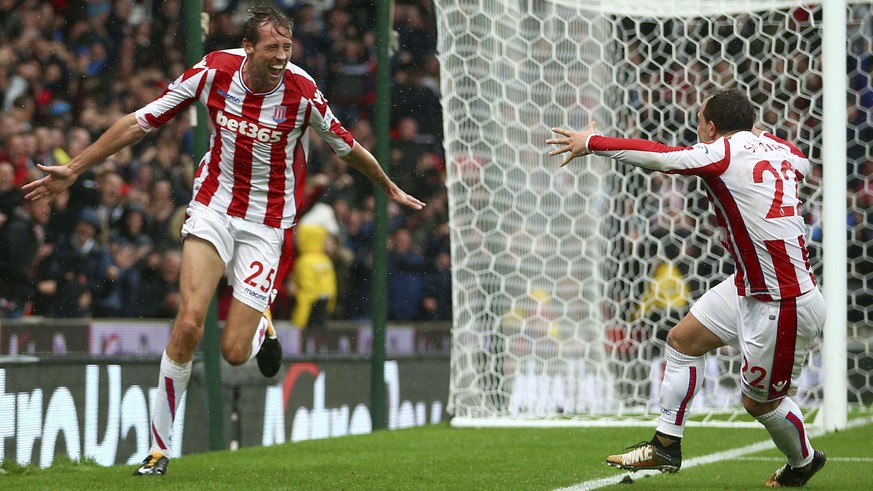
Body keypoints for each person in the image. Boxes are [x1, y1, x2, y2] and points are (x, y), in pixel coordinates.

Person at [23, 5, 424, 477]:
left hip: (266, 224)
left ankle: (261, 325)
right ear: (249, 47)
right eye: (271, 47)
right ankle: (158, 450)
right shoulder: (215, 69)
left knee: (234, 352)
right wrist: (75, 167)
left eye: (287, 47)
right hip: (213, 207)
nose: (280, 56)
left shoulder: (303, 92)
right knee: (190, 322)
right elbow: (140, 121)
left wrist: (388, 185)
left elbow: (348, 148)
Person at [546, 89, 827, 487]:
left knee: (760, 404)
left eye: (699, 122)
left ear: (711, 128)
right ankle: (666, 444)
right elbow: (800, 159)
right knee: (682, 341)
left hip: (783, 300)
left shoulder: (719, 153)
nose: (696, 130)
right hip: (749, 283)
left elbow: (660, 155)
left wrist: (592, 143)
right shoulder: (784, 150)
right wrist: (750, 132)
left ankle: (804, 463)